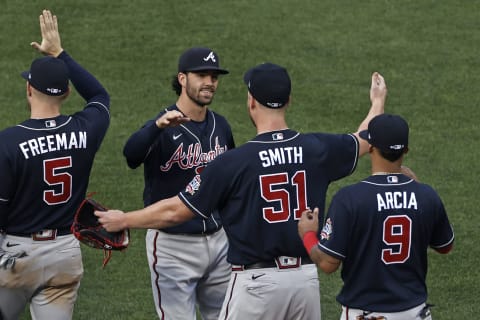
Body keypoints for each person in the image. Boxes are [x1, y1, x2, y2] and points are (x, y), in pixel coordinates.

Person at [96, 62, 387, 320]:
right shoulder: (317, 149)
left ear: (251, 102)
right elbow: (365, 138)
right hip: (305, 282)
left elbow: (176, 210)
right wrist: (377, 103)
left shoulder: (233, 163)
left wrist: (124, 220)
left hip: (255, 285)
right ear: (288, 100)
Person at [0, 10, 110, 320]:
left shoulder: (8, 142)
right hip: (64, 253)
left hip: (17, 256)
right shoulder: (86, 129)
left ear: (28, 89)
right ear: (67, 92)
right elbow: (99, 95)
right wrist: (60, 53)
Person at [298, 114, 454, 320]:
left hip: (367, 314)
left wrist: (308, 235)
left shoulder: (350, 198)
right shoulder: (426, 195)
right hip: (415, 313)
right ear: (405, 151)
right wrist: (417, 189)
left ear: (370, 147)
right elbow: (445, 246)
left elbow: (328, 263)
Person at [123, 47, 234, 319]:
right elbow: (131, 156)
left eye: (214, 76)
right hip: (174, 246)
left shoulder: (221, 125)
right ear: (182, 79)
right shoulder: (161, 126)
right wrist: (157, 127)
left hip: (219, 242)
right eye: (201, 75)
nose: (209, 82)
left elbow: (231, 182)